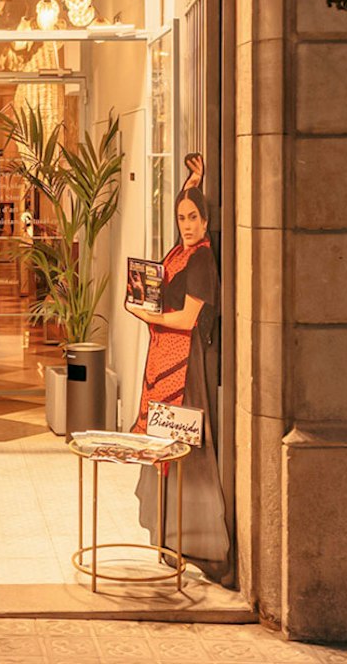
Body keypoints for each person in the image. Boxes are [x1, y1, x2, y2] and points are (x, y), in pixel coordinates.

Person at [123, 151, 232, 584]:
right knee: (167, 448)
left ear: (206, 221)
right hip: (167, 361)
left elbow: (187, 319)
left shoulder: (202, 260)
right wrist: (195, 177)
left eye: (193, 217)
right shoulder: (180, 251)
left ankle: (201, 546)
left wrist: (149, 316)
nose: (186, 224)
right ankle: (172, 538)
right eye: (181, 217)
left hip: (187, 370)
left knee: (186, 451)